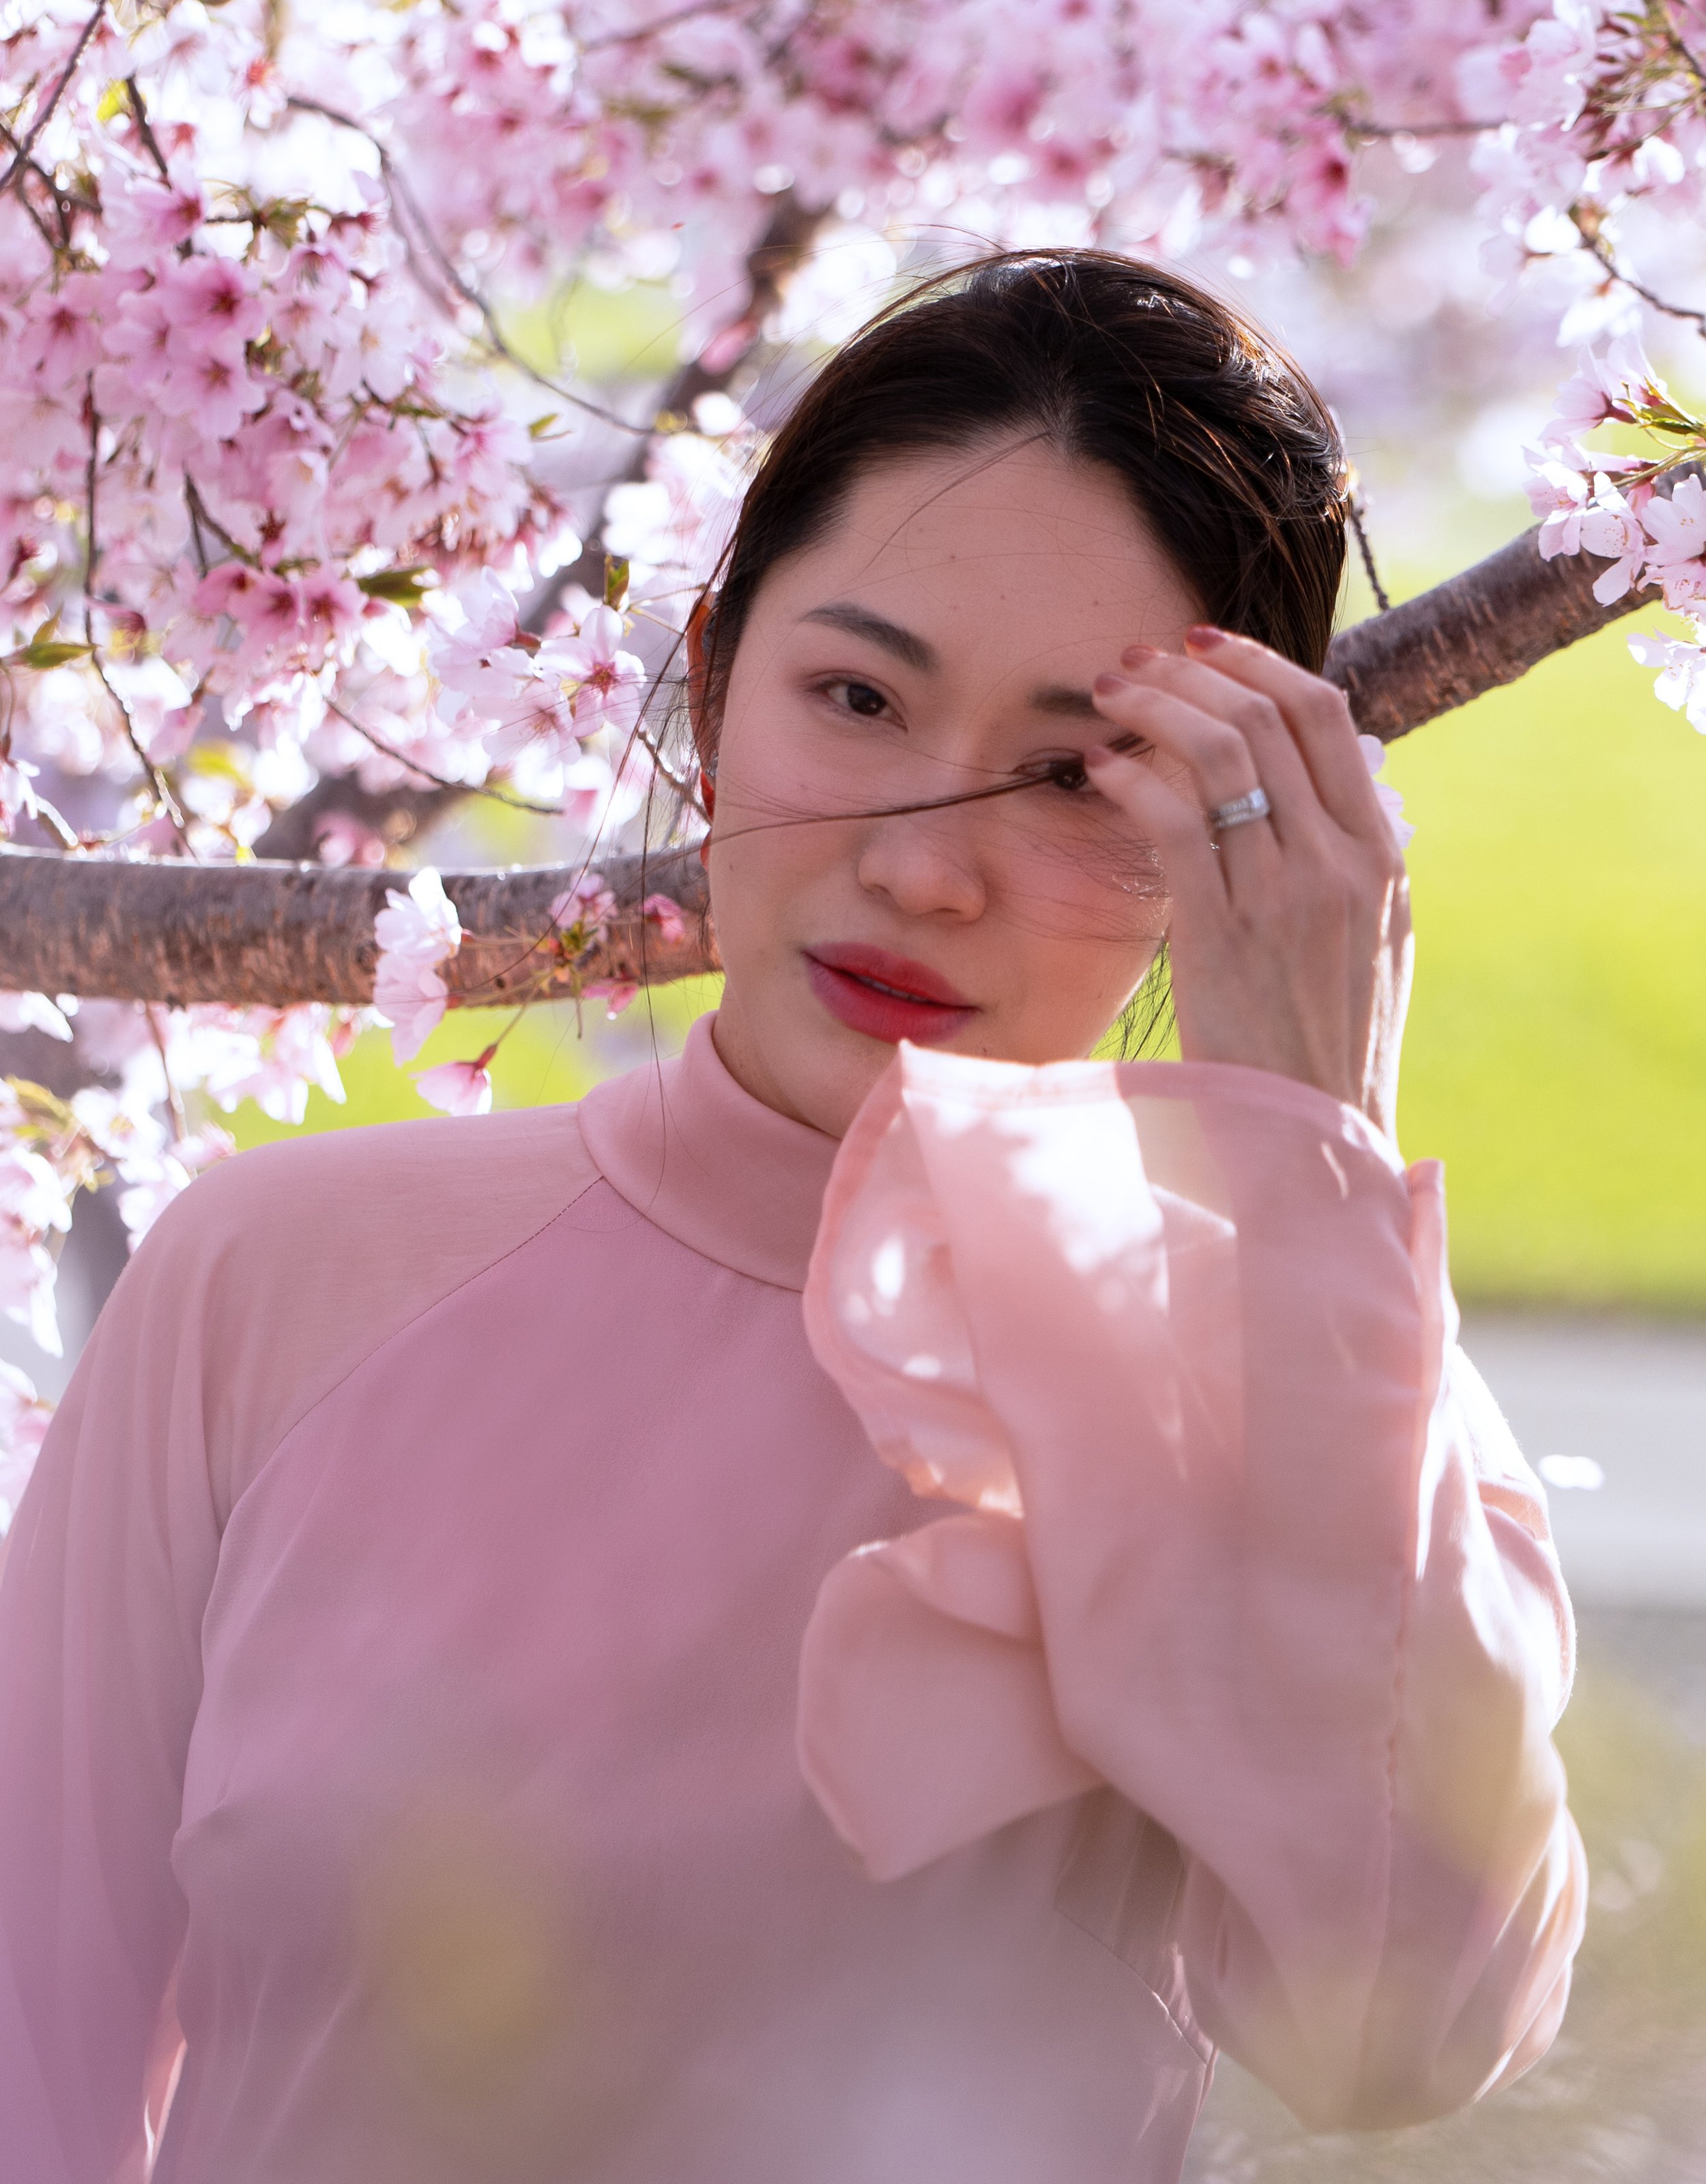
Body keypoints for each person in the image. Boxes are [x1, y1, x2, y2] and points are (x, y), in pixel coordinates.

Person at [0, 252, 1585, 2184]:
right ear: (709, 687)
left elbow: (1411, 2026)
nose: (923, 868)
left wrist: (1300, 1161)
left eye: (1083, 773)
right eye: (854, 696)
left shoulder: (1312, 1387)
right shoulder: (276, 1276)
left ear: (1222, 840)